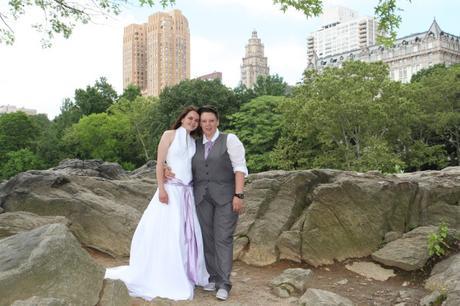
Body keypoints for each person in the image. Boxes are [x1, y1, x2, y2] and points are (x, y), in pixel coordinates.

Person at [105, 106, 209, 301]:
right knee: (168, 233)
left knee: (186, 235)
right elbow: (160, 164)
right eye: (190, 118)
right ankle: (164, 276)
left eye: (196, 120)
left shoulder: (194, 142)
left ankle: (186, 272)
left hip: (186, 194)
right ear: (183, 118)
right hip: (170, 192)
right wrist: (161, 188)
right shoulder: (169, 135)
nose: (193, 122)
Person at [191, 105, 248, 301]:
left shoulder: (229, 140)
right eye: (204, 121)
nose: (207, 124)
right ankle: (213, 277)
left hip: (226, 197)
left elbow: (239, 167)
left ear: (218, 122)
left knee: (223, 238)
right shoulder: (194, 143)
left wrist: (238, 195)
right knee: (207, 238)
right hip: (201, 198)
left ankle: (224, 283)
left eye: (211, 121)